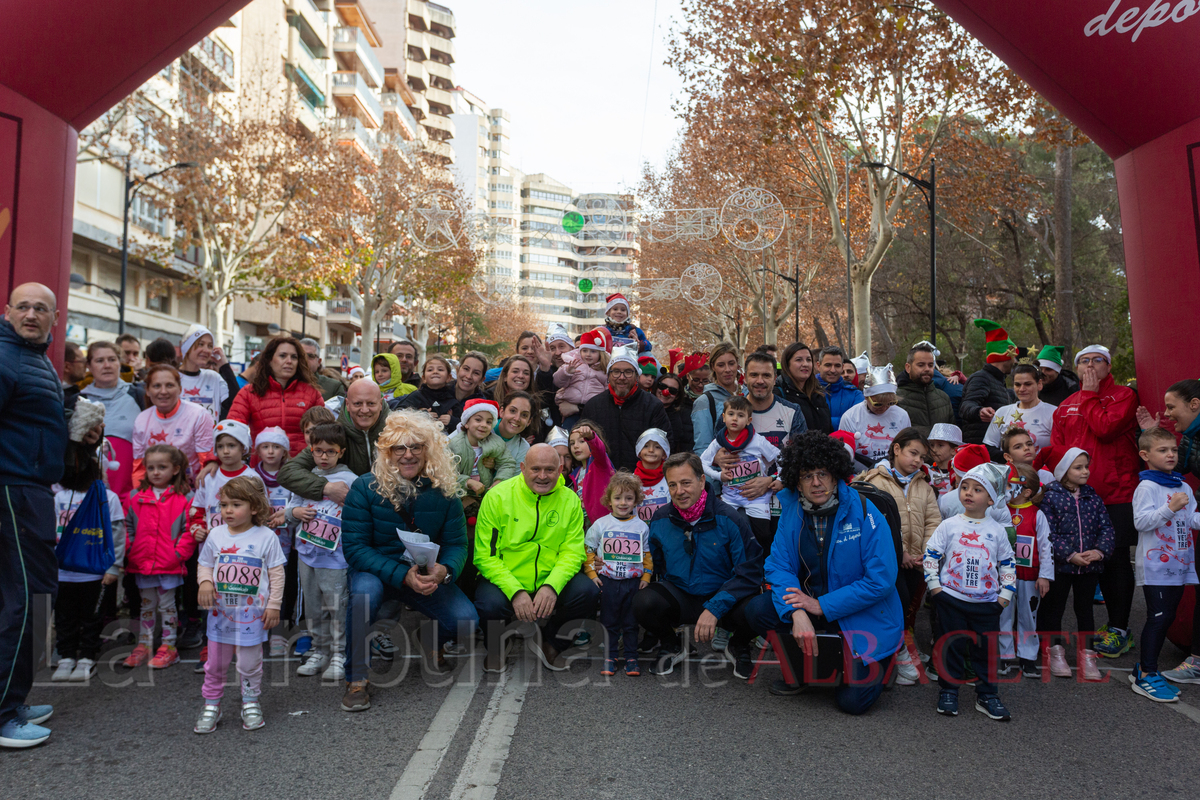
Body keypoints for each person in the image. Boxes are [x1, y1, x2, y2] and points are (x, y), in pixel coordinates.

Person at [739, 431, 902, 713]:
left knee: (853, 703)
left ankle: (883, 662)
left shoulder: (867, 512)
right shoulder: (792, 510)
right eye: (806, 475)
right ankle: (805, 667)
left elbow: (881, 581)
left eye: (823, 474)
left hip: (861, 613)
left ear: (836, 474)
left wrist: (819, 605)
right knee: (758, 609)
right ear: (796, 482)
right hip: (811, 606)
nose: (816, 483)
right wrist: (797, 613)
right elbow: (778, 567)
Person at [341, 411, 478, 710]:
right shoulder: (364, 488)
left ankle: (430, 639)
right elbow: (355, 549)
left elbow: (456, 544)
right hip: (375, 570)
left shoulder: (444, 490)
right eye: (399, 448)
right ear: (387, 452)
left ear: (429, 450)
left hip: (426, 571)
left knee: (466, 621)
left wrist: (445, 570)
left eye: (416, 446)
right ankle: (356, 679)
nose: (408, 454)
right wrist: (402, 576)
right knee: (363, 596)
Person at [474, 444, 599, 673]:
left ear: (560, 469)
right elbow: (485, 556)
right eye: (536, 469)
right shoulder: (497, 497)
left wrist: (552, 586)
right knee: (488, 604)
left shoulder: (570, 500)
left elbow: (573, 552)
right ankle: (497, 645)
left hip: (549, 577)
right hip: (507, 577)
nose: (543, 476)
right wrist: (516, 591)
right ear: (522, 468)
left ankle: (551, 642)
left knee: (587, 593)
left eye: (550, 470)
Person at [635, 452, 762, 677]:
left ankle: (739, 644)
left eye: (686, 483)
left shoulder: (731, 518)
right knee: (643, 601)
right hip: (682, 595)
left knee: (760, 607)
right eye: (672, 485)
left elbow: (749, 572)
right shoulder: (660, 519)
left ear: (702, 481)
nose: (679, 491)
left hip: (723, 597)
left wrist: (716, 606)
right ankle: (672, 644)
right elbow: (658, 565)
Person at [1049, 343, 1140, 658]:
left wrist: (1089, 394)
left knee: (1113, 559)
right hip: (1078, 497)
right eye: (1083, 361)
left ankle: (1119, 629)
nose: (1090, 365)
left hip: (1117, 494)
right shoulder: (1066, 406)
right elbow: (1060, 452)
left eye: (1097, 360)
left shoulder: (1124, 397)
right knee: (1076, 560)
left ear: (1108, 366)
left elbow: (1105, 428)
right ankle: (1069, 633)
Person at [193, 476, 287, 734]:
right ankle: (212, 704)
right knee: (215, 664)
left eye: (236, 504)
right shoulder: (215, 535)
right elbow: (205, 563)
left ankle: (250, 701)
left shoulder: (266, 537)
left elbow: (277, 575)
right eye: (224, 505)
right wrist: (204, 583)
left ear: (254, 507)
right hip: (220, 615)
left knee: (249, 663)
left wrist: (274, 605)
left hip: (252, 617)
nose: (228, 511)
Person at [923, 463, 1017, 720]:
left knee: (985, 651)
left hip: (987, 604)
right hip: (951, 599)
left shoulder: (997, 531)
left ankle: (987, 695)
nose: (968, 492)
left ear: (990, 499)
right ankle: (949, 690)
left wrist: (1004, 596)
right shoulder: (949, 525)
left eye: (977, 489)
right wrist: (935, 588)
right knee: (951, 646)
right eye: (965, 486)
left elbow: (1008, 563)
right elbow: (931, 554)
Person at [858, 427, 941, 685]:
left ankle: (903, 650)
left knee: (908, 609)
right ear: (896, 449)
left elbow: (933, 521)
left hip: (916, 562)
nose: (917, 460)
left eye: (922, 457)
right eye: (912, 453)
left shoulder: (924, 485)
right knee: (894, 608)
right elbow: (873, 526)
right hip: (888, 562)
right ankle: (898, 655)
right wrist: (900, 553)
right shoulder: (873, 481)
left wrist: (924, 554)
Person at [50, 406, 127, 683]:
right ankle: (66, 655)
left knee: (92, 616)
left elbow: (117, 535)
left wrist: (114, 567)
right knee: (65, 617)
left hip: (95, 572)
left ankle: (87, 657)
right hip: (62, 572)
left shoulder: (107, 498)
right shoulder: (56, 497)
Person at [1129, 427, 1200, 701]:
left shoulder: (1182, 484)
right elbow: (1141, 522)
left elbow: (1191, 519)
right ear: (1145, 455)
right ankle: (1147, 674)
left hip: (1180, 565)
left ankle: (1145, 670)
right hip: (1155, 567)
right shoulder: (1147, 487)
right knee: (1159, 619)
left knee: (1167, 616)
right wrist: (1170, 508)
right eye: (1163, 450)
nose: (1170, 454)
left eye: (1173, 449)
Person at [286, 423, 359, 682]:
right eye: (318, 451)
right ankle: (319, 650)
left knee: (336, 606)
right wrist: (294, 513)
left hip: (336, 559)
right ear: (311, 451)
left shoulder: (351, 481)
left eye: (330, 451)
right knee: (313, 607)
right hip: (307, 556)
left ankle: (340, 653)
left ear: (341, 452)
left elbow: (359, 518)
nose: (324, 456)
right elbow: (290, 509)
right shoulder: (306, 478)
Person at [1036, 444, 1113, 681]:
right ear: (1064, 470)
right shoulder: (1050, 497)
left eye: (1086, 467)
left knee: (1085, 610)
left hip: (1089, 566)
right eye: (1078, 467)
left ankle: (1087, 654)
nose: (1085, 471)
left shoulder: (1092, 496)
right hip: (1061, 565)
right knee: (1054, 608)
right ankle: (1054, 651)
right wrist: (1070, 555)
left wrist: (1099, 551)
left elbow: (1106, 528)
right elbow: (1048, 533)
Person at [123, 444, 196, 670]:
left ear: (175, 469)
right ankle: (144, 644)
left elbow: (189, 530)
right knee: (146, 605)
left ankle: (169, 646)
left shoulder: (185, 497)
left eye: (162, 467)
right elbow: (126, 527)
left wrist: (177, 555)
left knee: (167, 605)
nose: (155, 472)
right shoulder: (134, 497)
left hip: (169, 564)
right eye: (151, 467)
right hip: (141, 563)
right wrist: (131, 549)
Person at [584, 471, 653, 677]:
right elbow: (588, 551)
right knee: (609, 622)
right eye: (618, 498)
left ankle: (632, 658)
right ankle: (610, 656)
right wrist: (593, 575)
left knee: (631, 623)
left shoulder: (641, 527)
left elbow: (647, 555)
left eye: (629, 498)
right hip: (609, 582)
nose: (623, 502)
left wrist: (646, 577)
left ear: (636, 500)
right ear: (609, 500)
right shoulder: (600, 525)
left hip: (632, 583)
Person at [280, 380, 389, 506]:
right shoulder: (336, 434)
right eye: (357, 403)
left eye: (371, 403)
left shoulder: (397, 430)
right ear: (347, 404)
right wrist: (326, 487)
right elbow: (288, 472)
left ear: (380, 404)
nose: (364, 410)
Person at [700, 396, 780, 549]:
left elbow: (781, 457)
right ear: (724, 418)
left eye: (740, 415)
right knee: (725, 535)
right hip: (730, 498)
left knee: (763, 536)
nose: (735, 418)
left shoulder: (757, 440)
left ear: (749, 420)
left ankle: (763, 569)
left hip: (757, 497)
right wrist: (718, 476)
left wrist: (777, 478)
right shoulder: (719, 441)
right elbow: (702, 462)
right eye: (731, 414)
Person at [226, 336, 327, 458]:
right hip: (262, 470)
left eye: (294, 357)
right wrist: (213, 460)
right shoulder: (249, 393)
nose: (289, 361)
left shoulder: (312, 393)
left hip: (302, 469)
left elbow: (325, 434)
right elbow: (230, 431)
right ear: (269, 360)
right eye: (283, 356)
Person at [70, 341, 144, 501]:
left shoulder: (139, 396)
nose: (107, 365)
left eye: (112, 359)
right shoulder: (78, 400)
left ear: (119, 362)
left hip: (131, 495)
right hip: (87, 494)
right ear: (89, 365)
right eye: (99, 360)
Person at [998, 464, 1053, 679]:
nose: (1008, 490)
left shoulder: (1037, 515)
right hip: (1005, 576)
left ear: (1027, 491)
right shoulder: (1001, 511)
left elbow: (1046, 546)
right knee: (1003, 615)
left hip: (1030, 576)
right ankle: (1004, 655)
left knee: (1028, 616)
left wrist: (1045, 575)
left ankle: (1028, 657)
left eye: (1013, 486)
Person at [582, 346, 672, 472]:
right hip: (603, 476)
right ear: (609, 375)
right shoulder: (593, 405)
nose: (622, 377)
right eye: (616, 371)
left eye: (628, 372)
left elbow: (665, 444)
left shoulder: (653, 406)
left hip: (642, 479)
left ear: (636, 375)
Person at [252, 426, 296, 655]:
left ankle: (279, 633)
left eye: (276, 447)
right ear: (257, 450)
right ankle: (256, 632)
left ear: (284, 451)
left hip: (284, 543)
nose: (270, 451)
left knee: (281, 587)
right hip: (257, 546)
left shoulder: (291, 477)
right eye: (265, 446)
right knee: (259, 587)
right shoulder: (250, 477)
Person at [132, 364, 215, 484]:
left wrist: (199, 498)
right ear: (148, 391)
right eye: (157, 386)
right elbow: (139, 468)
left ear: (180, 389)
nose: (163, 391)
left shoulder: (199, 415)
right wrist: (140, 497)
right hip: (154, 492)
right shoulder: (141, 419)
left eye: (169, 385)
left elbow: (206, 462)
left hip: (191, 490)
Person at [448, 398, 519, 510]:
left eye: (488, 422)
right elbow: (446, 473)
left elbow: (507, 464)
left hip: (486, 493)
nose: (484, 425)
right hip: (459, 494)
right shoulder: (455, 445)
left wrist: (499, 481)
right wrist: (467, 481)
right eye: (478, 420)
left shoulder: (496, 443)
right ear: (466, 423)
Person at [839, 364, 912, 467]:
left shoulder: (901, 415)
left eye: (890, 403)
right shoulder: (850, 417)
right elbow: (844, 454)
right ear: (866, 397)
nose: (884, 408)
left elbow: (908, 447)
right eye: (878, 404)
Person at [959, 319, 1017, 444]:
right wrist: (979, 411)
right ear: (1004, 356)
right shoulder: (981, 378)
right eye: (1013, 356)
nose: (1015, 362)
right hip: (981, 450)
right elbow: (966, 406)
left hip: (993, 449)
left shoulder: (999, 382)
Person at [983, 364, 1056, 457]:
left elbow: (1059, 449)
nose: (1022, 389)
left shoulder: (1053, 412)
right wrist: (1014, 459)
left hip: (1042, 470)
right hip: (1009, 469)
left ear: (1039, 384)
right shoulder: (1002, 412)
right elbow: (989, 447)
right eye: (1017, 385)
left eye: (1028, 384)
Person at [177, 324, 241, 423]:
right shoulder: (172, 377)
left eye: (210, 346)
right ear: (187, 347)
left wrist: (224, 366)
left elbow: (236, 402)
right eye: (201, 344)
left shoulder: (213, 377)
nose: (206, 350)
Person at [691, 342, 742, 453]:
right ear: (713, 367)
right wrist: (714, 460)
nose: (727, 369)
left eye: (731, 363)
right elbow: (702, 448)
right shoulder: (704, 401)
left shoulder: (748, 394)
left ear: (737, 364)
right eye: (721, 365)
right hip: (722, 468)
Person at [554, 327, 611, 428]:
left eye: (593, 351)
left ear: (600, 354)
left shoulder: (604, 370)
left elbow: (608, 392)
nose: (588, 354)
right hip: (572, 412)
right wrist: (567, 373)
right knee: (569, 434)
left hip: (594, 414)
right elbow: (558, 382)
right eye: (585, 350)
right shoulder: (573, 364)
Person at [897, 342, 954, 438]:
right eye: (921, 365)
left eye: (930, 365)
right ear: (908, 367)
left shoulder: (943, 398)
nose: (927, 369)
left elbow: (951, 437)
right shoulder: (896, 399)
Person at [776, 342, 832, 434]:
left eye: (809, 360)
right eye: (799, 360)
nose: (805, 364)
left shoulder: (818, 393)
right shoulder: (778, 393)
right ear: (787, 364)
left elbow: (828, 430)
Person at [567, 422, 616, 525]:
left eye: (582, 441)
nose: (576, 446)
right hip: (584, 526)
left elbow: (599, 450)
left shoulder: (600, 463)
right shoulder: (575, 474)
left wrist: (590, 436)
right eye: (572, 443)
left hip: (604, 524)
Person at [390, 353, 455, 425]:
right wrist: (420, 415)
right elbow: (398, 413)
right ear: (424, 378)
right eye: (430, 370)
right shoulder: (417, 396)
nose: (435, 372)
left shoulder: (451, 399)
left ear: (448, 377)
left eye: (440, 369)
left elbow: (462, 423)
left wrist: (452, 420)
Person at [815, 347, 863, 430]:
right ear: (819, 366)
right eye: (828, 365)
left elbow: (860, 423)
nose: (833, 370)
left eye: (837, 366)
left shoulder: (855, 394)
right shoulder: (807, 391)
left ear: (842, 367)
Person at [634, 428, 671, 522]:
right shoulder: (630, 481)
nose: (651, 450)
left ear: (664, 454)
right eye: (645, 446)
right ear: (639, 452)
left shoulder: (671, 478)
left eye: (657, 447)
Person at [654, 373, 693, 458]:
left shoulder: (681, 417)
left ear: (677, 396)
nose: (666, 392)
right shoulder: (644, 408)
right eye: (662, 386)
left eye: (672, 391)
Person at [301, 337, 346, 402]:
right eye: (301, 355)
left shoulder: (334, 387)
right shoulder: (285, 383)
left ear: (319, 362)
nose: (305, 360)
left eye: (310, 356)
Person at [926, 423, 963, 499]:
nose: (934, 450)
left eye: (940, 445)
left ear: (954, 450)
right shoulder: (926, 473)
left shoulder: (960, 474)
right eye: (932, 445)